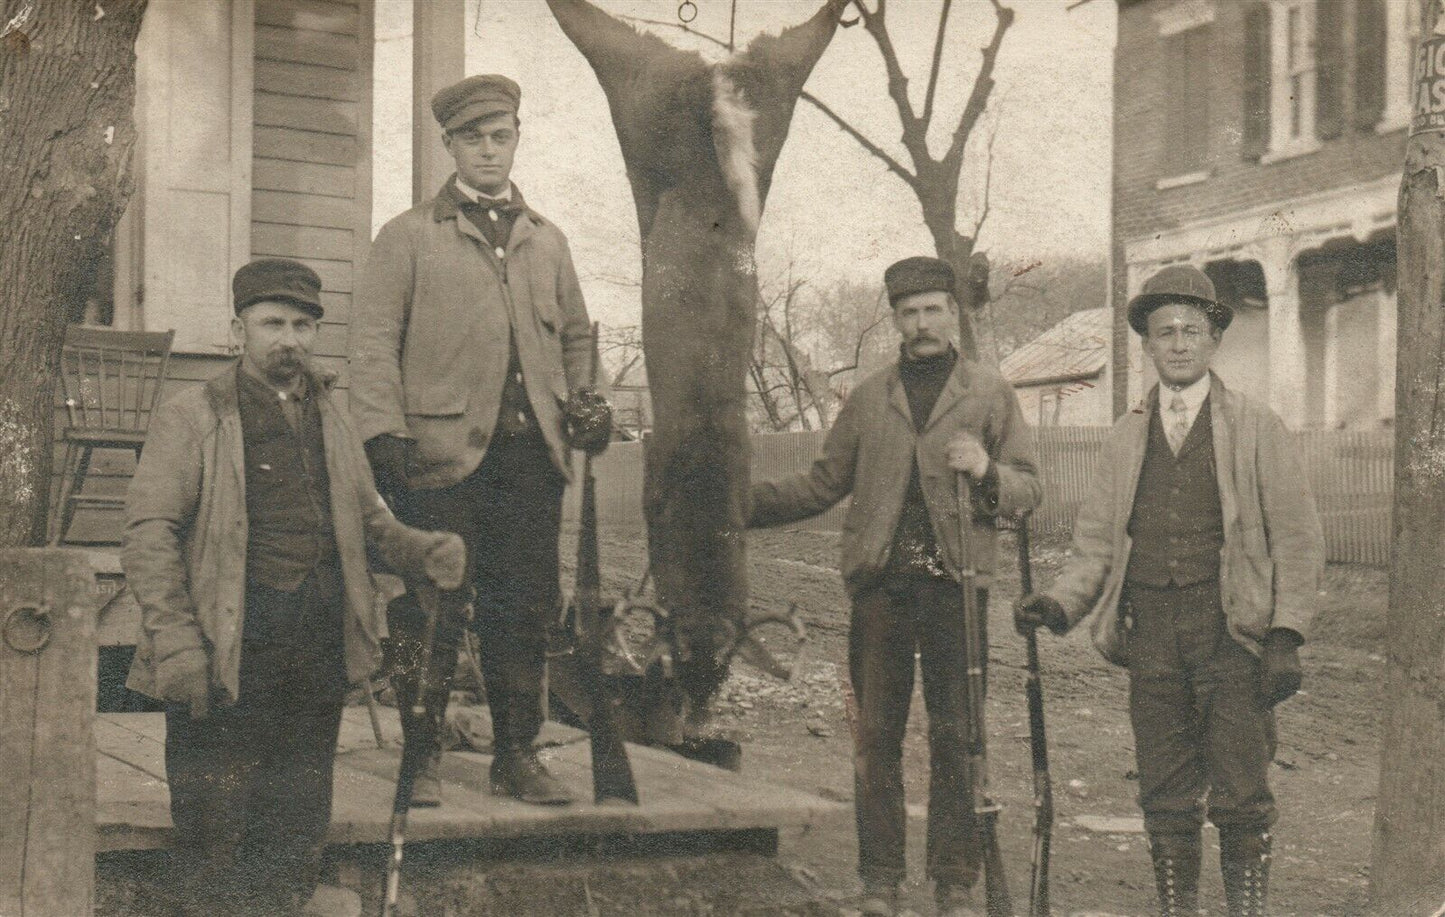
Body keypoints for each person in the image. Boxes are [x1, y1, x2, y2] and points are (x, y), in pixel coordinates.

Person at [123, 258, 467, 916]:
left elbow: (368, 520)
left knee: (297, 822)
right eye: (272, 323)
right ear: (238, 331)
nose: (289, 339)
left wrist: (420, 550)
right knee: (214, 831)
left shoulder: (332, 415)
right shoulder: (194, 415)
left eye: (303, 326)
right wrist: (176, 643)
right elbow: (149, 533)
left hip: (317, 643)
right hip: (226, 649)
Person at [1016, 265, 1325, 917]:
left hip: (1231, 634)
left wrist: (1284, 634)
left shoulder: (1256, 425)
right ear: (1148, 345)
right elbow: (1097, 540)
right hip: (1151, 634)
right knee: (1163, 792)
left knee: (1241, 792)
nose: (1178, 343)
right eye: (1165, 332)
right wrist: (1060, 603)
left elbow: (1297, 537)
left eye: (1191, 330)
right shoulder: (1127, 435)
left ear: (1213, 339)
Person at [748, 256, 1041, 917]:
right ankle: (879, 879)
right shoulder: (869, 397)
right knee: (875, 736)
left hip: (957, 590)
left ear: (952, 313)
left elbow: (1028, 490)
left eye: (933, 309)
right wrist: (738, 503)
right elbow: (822, 483)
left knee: (957, 736)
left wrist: (986, 468)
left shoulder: (989, 393)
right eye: (909, 312)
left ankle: (954, 882)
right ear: (895, 320)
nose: (922, 323)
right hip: (880, 588)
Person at [349, 74, 611, 809]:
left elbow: (579, 337)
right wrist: (383, 433)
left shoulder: (547, 241)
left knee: (524, 608)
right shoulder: (407, 236)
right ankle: (421, 756)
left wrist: (587, 401)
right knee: (430, 608)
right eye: (473, 139)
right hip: (439, 461)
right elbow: (372, 342)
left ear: (517, 139)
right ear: (450, 145)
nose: (488, 151)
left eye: (501, 136)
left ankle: (517, 755)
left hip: (531, 462)